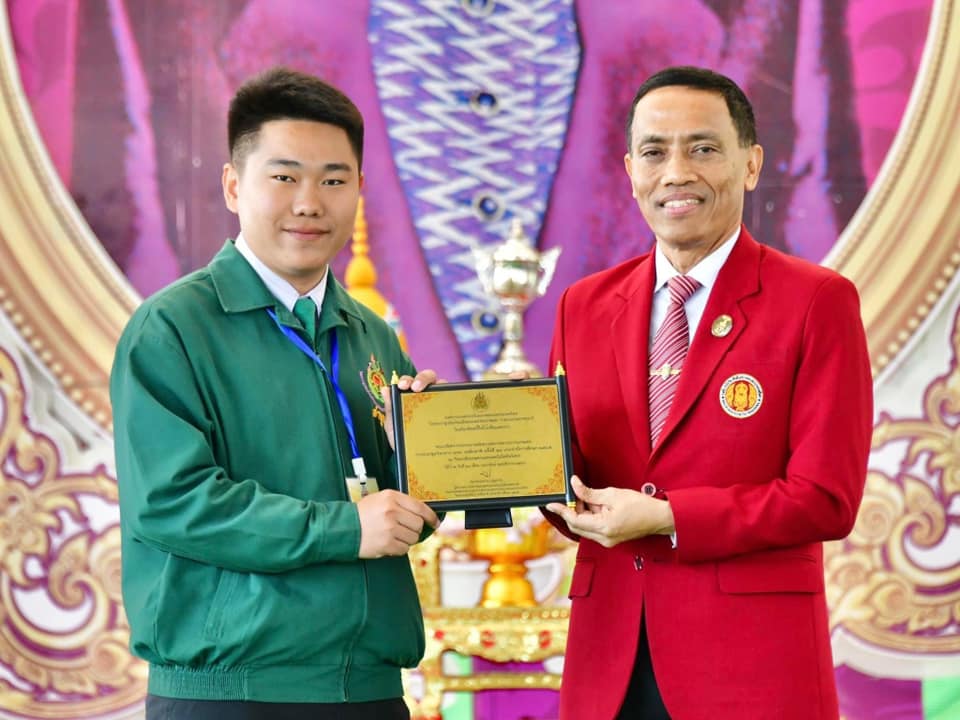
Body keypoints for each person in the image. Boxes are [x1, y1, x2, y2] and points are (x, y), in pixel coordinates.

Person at [110, 66, 440, 720]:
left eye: (334, 180)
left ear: (359, 190)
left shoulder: (373, 335)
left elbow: (402, 516)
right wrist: (347, 528)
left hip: (369, 690)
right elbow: (175, 504)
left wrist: (427, 454)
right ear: (234, 186)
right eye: (285, 177)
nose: (310, 203)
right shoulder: (173, 328)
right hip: (233, 694)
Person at [544, 66, 872, 719]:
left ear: (750, 164)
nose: (676, 172)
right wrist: (444, 432)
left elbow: (826, 500)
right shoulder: (583, 305)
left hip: (752, 668)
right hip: (610, 664)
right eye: (654, 152)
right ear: (630, 171)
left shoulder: (815, 301)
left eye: (703, 148)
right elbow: (561, 479)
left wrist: (669, 517)